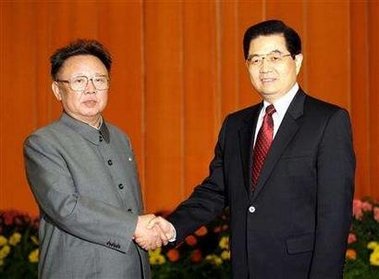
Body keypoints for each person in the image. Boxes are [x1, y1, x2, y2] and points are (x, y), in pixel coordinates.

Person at [138, 19, 356, 278]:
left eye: (275, 57)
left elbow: (335, 216)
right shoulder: (235, 125)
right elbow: (216, 191)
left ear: (297, 61)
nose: (265, 68)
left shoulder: (328, 121)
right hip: (245, 268)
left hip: (299, 270)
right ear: (247, 66)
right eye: (256, 60)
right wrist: (171, 226)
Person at [23, 39, 167, 279]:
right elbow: (66, 208)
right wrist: (134, 225)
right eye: (79, 81)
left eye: (99, 80)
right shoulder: (43, 143)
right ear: (57, 90)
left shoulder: (121, 138)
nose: (91, 89)